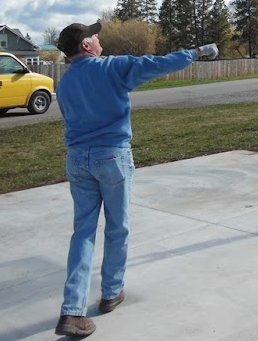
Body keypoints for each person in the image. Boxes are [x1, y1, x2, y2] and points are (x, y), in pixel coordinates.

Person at [53, 21, 218, 338]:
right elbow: (158, 63)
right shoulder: (111, 68)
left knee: (83, 232)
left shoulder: (65, 81)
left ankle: (72, 310)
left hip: (77, 159)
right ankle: (112, 292)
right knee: (117, 226)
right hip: (111, 157)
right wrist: (198, 51)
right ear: (86, 45)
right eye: (95, 35)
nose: (99, 38)